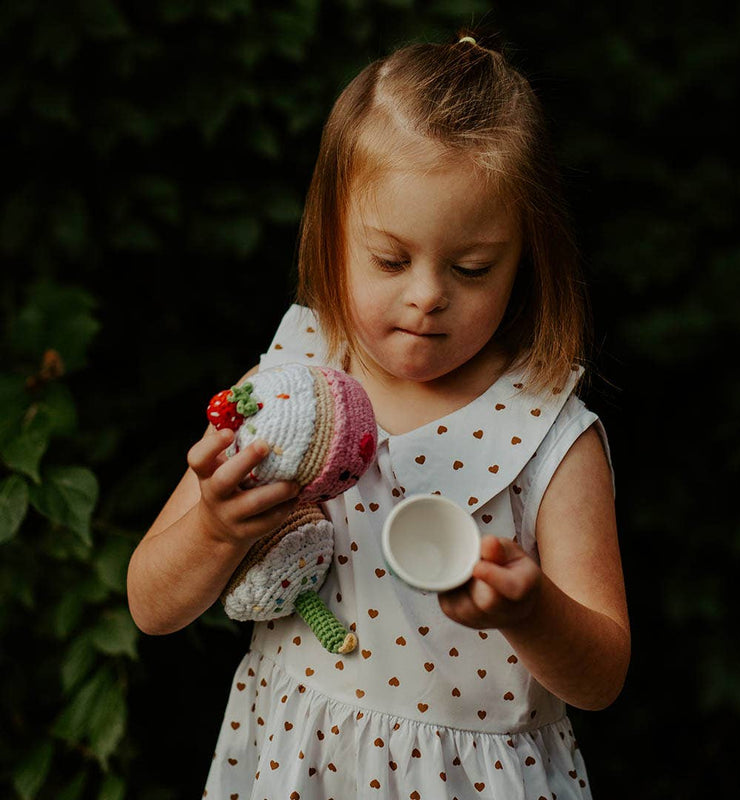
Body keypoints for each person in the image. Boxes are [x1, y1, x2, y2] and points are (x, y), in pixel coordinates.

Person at [127, 30, 629, 800]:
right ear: (335, 237)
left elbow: (601, 679)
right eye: (390, 260)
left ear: (526, 257)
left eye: (471, 268)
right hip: (296, 765)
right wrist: (216, 530)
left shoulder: (545, 435)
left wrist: (533, 612)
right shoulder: (288, 384)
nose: (426, 296)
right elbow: (150, 606)